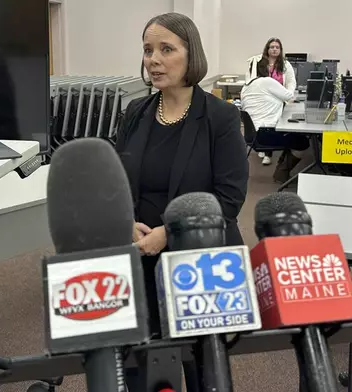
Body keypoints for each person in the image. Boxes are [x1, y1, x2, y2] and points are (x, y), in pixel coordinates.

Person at [115, 12, 248, 390]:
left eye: (166, 49)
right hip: (139, 254)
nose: (153, 59)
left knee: (202, 369)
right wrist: (125, 221)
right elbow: (118, 182)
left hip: (199, 259)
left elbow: (230, 198)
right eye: (147, 50)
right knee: (139, 363)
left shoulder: (221, 117)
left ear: (191, 56)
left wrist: (167, 233)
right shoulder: (135, 113)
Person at [241, 61, 309, 183]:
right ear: (267, 69)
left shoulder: (246, 87)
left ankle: (281, 168)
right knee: (302, 141)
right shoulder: (267, 81)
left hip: (253, 135)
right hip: (266, 135)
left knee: (291, 135)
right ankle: (281, 172)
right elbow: (289, 95)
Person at [246, 38, 296, 165]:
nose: (274, 49)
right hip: (265, 98)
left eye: (277, 47)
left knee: (276, 122)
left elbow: (291, 81)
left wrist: (288, 95)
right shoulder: (259, 62)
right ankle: (266, 150)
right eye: (272, 47)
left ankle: (268, 150)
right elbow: (253, 79)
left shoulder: (285, 64)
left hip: (280, 97)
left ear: (280, 50)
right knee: (267, 120)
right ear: (267, 49)